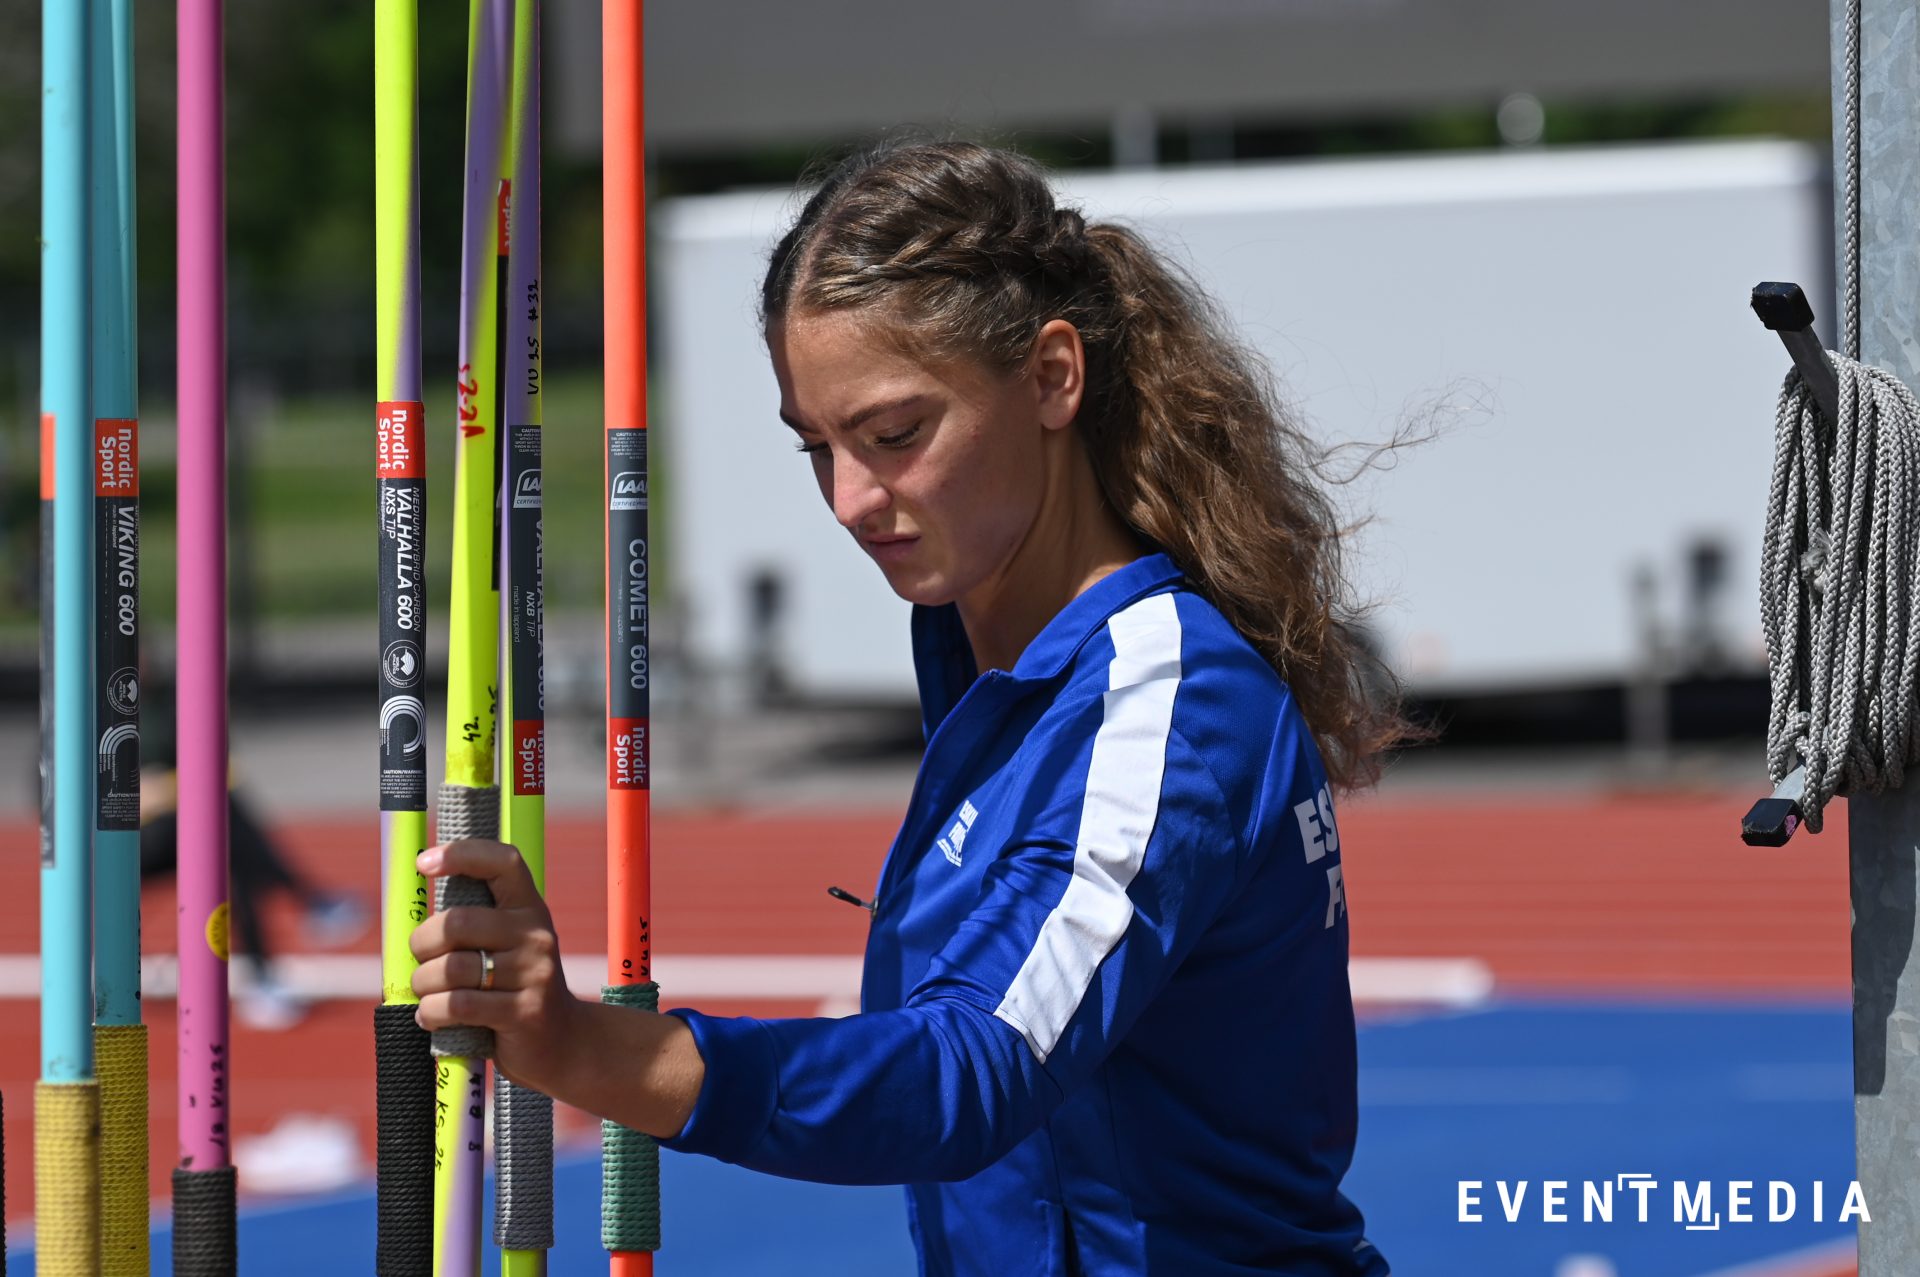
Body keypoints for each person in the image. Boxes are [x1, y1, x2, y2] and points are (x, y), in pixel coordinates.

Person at [411, 140, 1411, 1275]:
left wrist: (588, 1047)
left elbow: (973, 1068)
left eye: (894, 436)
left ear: (1053, 376)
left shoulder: (1170, 696)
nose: (849, 499)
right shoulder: (976, 638)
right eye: (816, 447)